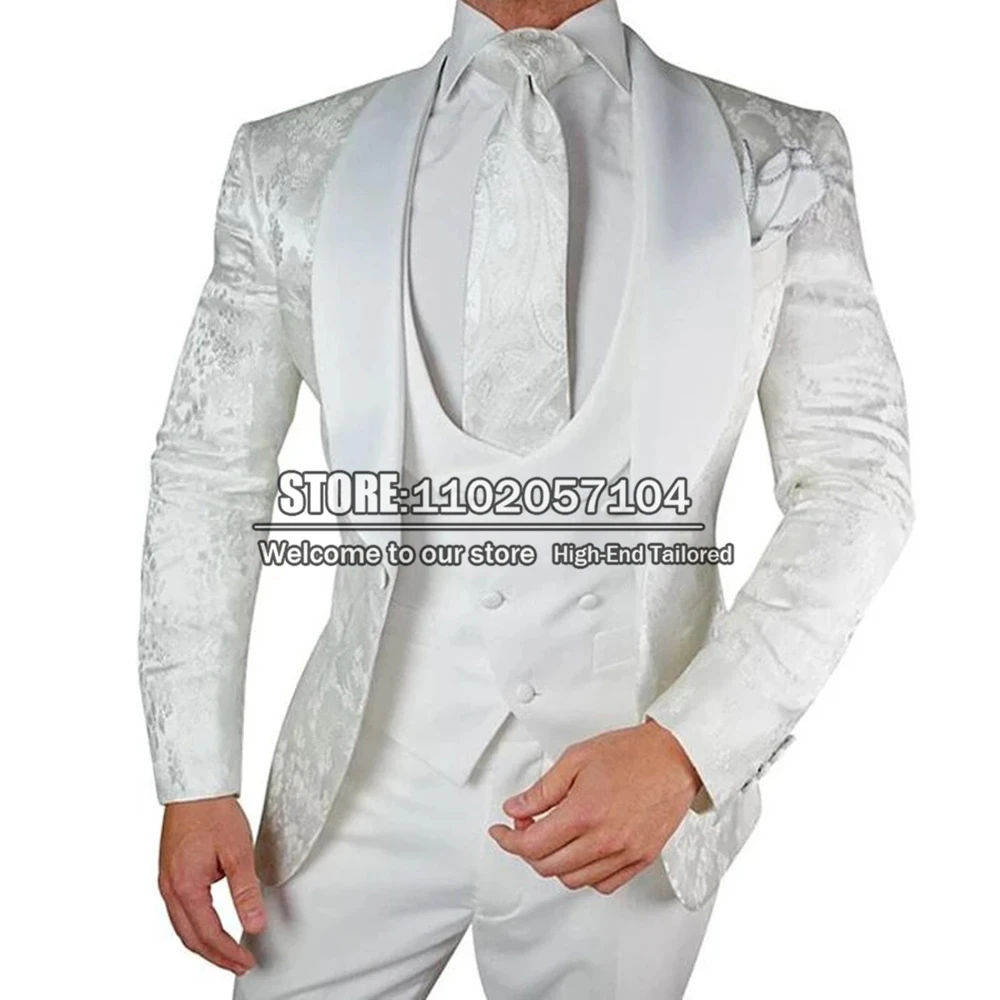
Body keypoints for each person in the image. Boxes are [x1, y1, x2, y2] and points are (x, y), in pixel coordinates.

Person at [138, 1, 914, 996]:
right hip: (356, 783)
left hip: (630, 796)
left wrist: (690, 748)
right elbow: (209, 470)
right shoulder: (288, 162)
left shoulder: (778, 148)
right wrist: (194, 772)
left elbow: (857, 476)